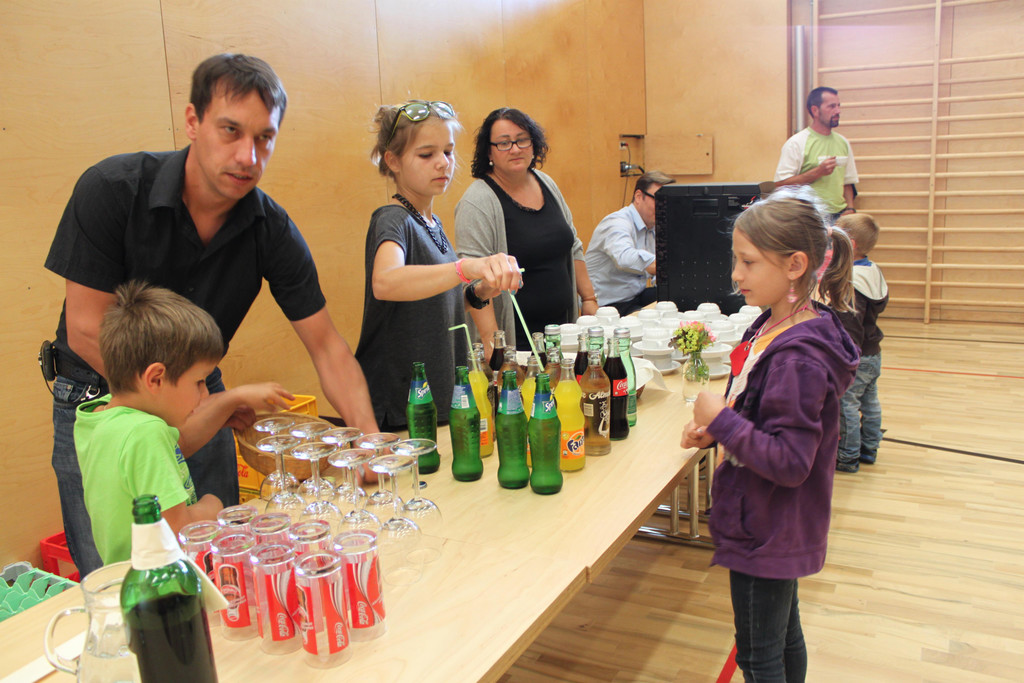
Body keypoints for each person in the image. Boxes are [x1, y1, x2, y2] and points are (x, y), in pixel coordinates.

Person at [43, 53, 378, 576]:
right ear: (193, 121)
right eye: (230, 130)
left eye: (265, 138)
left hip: (194, 393)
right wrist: (180, 419)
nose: (248, 156)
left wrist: (369, 444)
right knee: (120, 580)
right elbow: (89, 330)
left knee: (221, 566)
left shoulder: (271, 229)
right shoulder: (112, 189)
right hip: (103, 399)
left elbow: (328, 347)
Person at [682, 187, 859, 681]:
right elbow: (763, 412)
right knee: (784, 636)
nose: (735, 275)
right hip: (770, 519)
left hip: (769, 525)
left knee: (759, 656)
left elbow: (790, 460)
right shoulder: (773, 326)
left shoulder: (798, 357)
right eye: (736, 260)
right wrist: (719, 428)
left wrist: (722, 420)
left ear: (795, 265)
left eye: (748, 262)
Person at [74, 282, 293, 564]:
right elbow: (179, 532)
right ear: (156, 379)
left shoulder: (100, 417)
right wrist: (213, 506)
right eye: (199, 382)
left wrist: (224, 407)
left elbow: (176, 443)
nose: (205, 394)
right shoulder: (146, 432)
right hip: (159, 578)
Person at [355, 100, 521, 429]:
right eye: (426, 154)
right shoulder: (392, 219)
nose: (443, 163)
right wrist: (465, 268)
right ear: (393, 161)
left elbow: (435, 300)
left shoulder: (432, 223)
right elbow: (385, 282)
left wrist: (479, 291)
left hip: (440, 395)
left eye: (448, 151)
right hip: (403, 408)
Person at [455, 107, 598, 360]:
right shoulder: (477, 201)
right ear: (488, 152)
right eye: (503, 143)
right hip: (516, 343)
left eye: (522, 140)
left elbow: (572, 244)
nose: (515, 149)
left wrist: (588, 299)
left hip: (562, 334)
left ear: (534, 145)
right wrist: (494, 347)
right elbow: (473, 280)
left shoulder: (545, 182)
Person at [834, 213, 888, 473]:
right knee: (870, 403)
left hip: (856, 356)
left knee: (847, 406)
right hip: (873, 353)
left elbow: (851, 326)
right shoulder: (872, 270)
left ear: (850, 244)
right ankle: (869, 448)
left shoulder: (852, 280)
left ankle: (847, 457)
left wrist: (847, 359)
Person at [585, 171, 674, 315]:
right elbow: (624, 258)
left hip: (635, 297)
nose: (664, 206)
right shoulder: (616, 222)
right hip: (608, 306)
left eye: (668, 201)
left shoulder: (654, 226)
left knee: (678, 301)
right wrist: (664, 266)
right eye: (659, 199)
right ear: (638, 197)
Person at [775, 87, 859, 220]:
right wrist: (818, 172)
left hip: (840, 216)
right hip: (808, 218)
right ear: (815, 110)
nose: (838, 111)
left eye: (838, 106)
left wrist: (850, 209)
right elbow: (781, 185)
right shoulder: (797, 143)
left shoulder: (843, 142)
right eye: (832, 106)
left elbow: (848, 182)